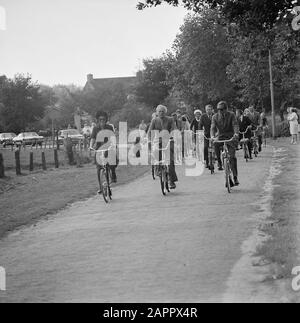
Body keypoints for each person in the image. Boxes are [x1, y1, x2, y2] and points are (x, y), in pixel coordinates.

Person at [147, 105, 178, 189]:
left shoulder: (170, 119)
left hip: (169, 141)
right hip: (158, 141)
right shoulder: (154, 120)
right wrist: (149, 140)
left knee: (170, 161)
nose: (161, 113)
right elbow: (149, 132)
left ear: (165, 112)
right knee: (155, 154)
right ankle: (158, 169)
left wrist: (172, 135)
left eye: (163, 111)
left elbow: (173, 129)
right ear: (157, 112)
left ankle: (171, 181)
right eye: (159, 111)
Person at [211, 101, 240, 186]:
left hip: (231, 137)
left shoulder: (231, 115)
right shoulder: (215, 117)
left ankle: (235, 177)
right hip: (221, 136)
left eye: (222, 109)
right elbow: (212, 127)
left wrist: (236, 133)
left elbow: (235, 124)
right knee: (215, 144)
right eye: (219, 109)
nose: (220, 111)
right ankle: (219, 162)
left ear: (226, 109)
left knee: (232, 157)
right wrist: (212, 136)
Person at [90, 110, 117, 194]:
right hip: (99, 149)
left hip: (108, 148)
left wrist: (113, 144)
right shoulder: (95, 128)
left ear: (106, 120)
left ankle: (113, 173)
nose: (102, 121)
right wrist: (91, 146)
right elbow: (93, 139)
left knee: (112, 162)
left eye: (103, 119)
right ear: (97, 120)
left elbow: (112, 137)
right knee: (99, 169)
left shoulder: (109, 127)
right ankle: (101, 187)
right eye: (100, 119)